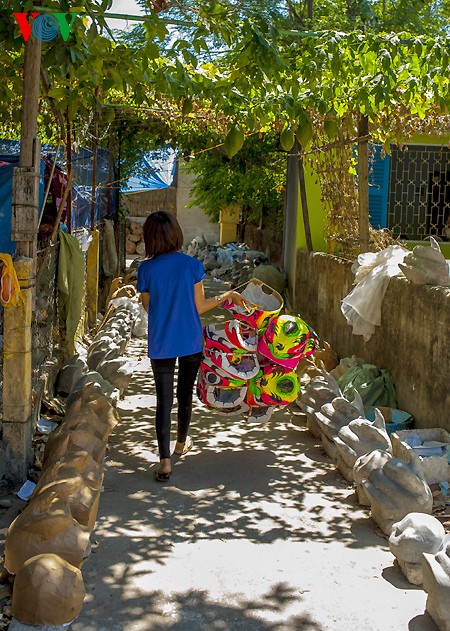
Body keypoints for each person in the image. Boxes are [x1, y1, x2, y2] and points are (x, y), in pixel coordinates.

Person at [137, 210, 251, 482]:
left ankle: (164, 461)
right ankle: (180, 445)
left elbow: (147, 305)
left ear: (150, 237)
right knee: (184, 394)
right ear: (176, 233)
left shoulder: (146, 269)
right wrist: (228, 295)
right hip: (190, 340)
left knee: (163, 402)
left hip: (161, 342)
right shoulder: (192, 266)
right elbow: (200, 306)